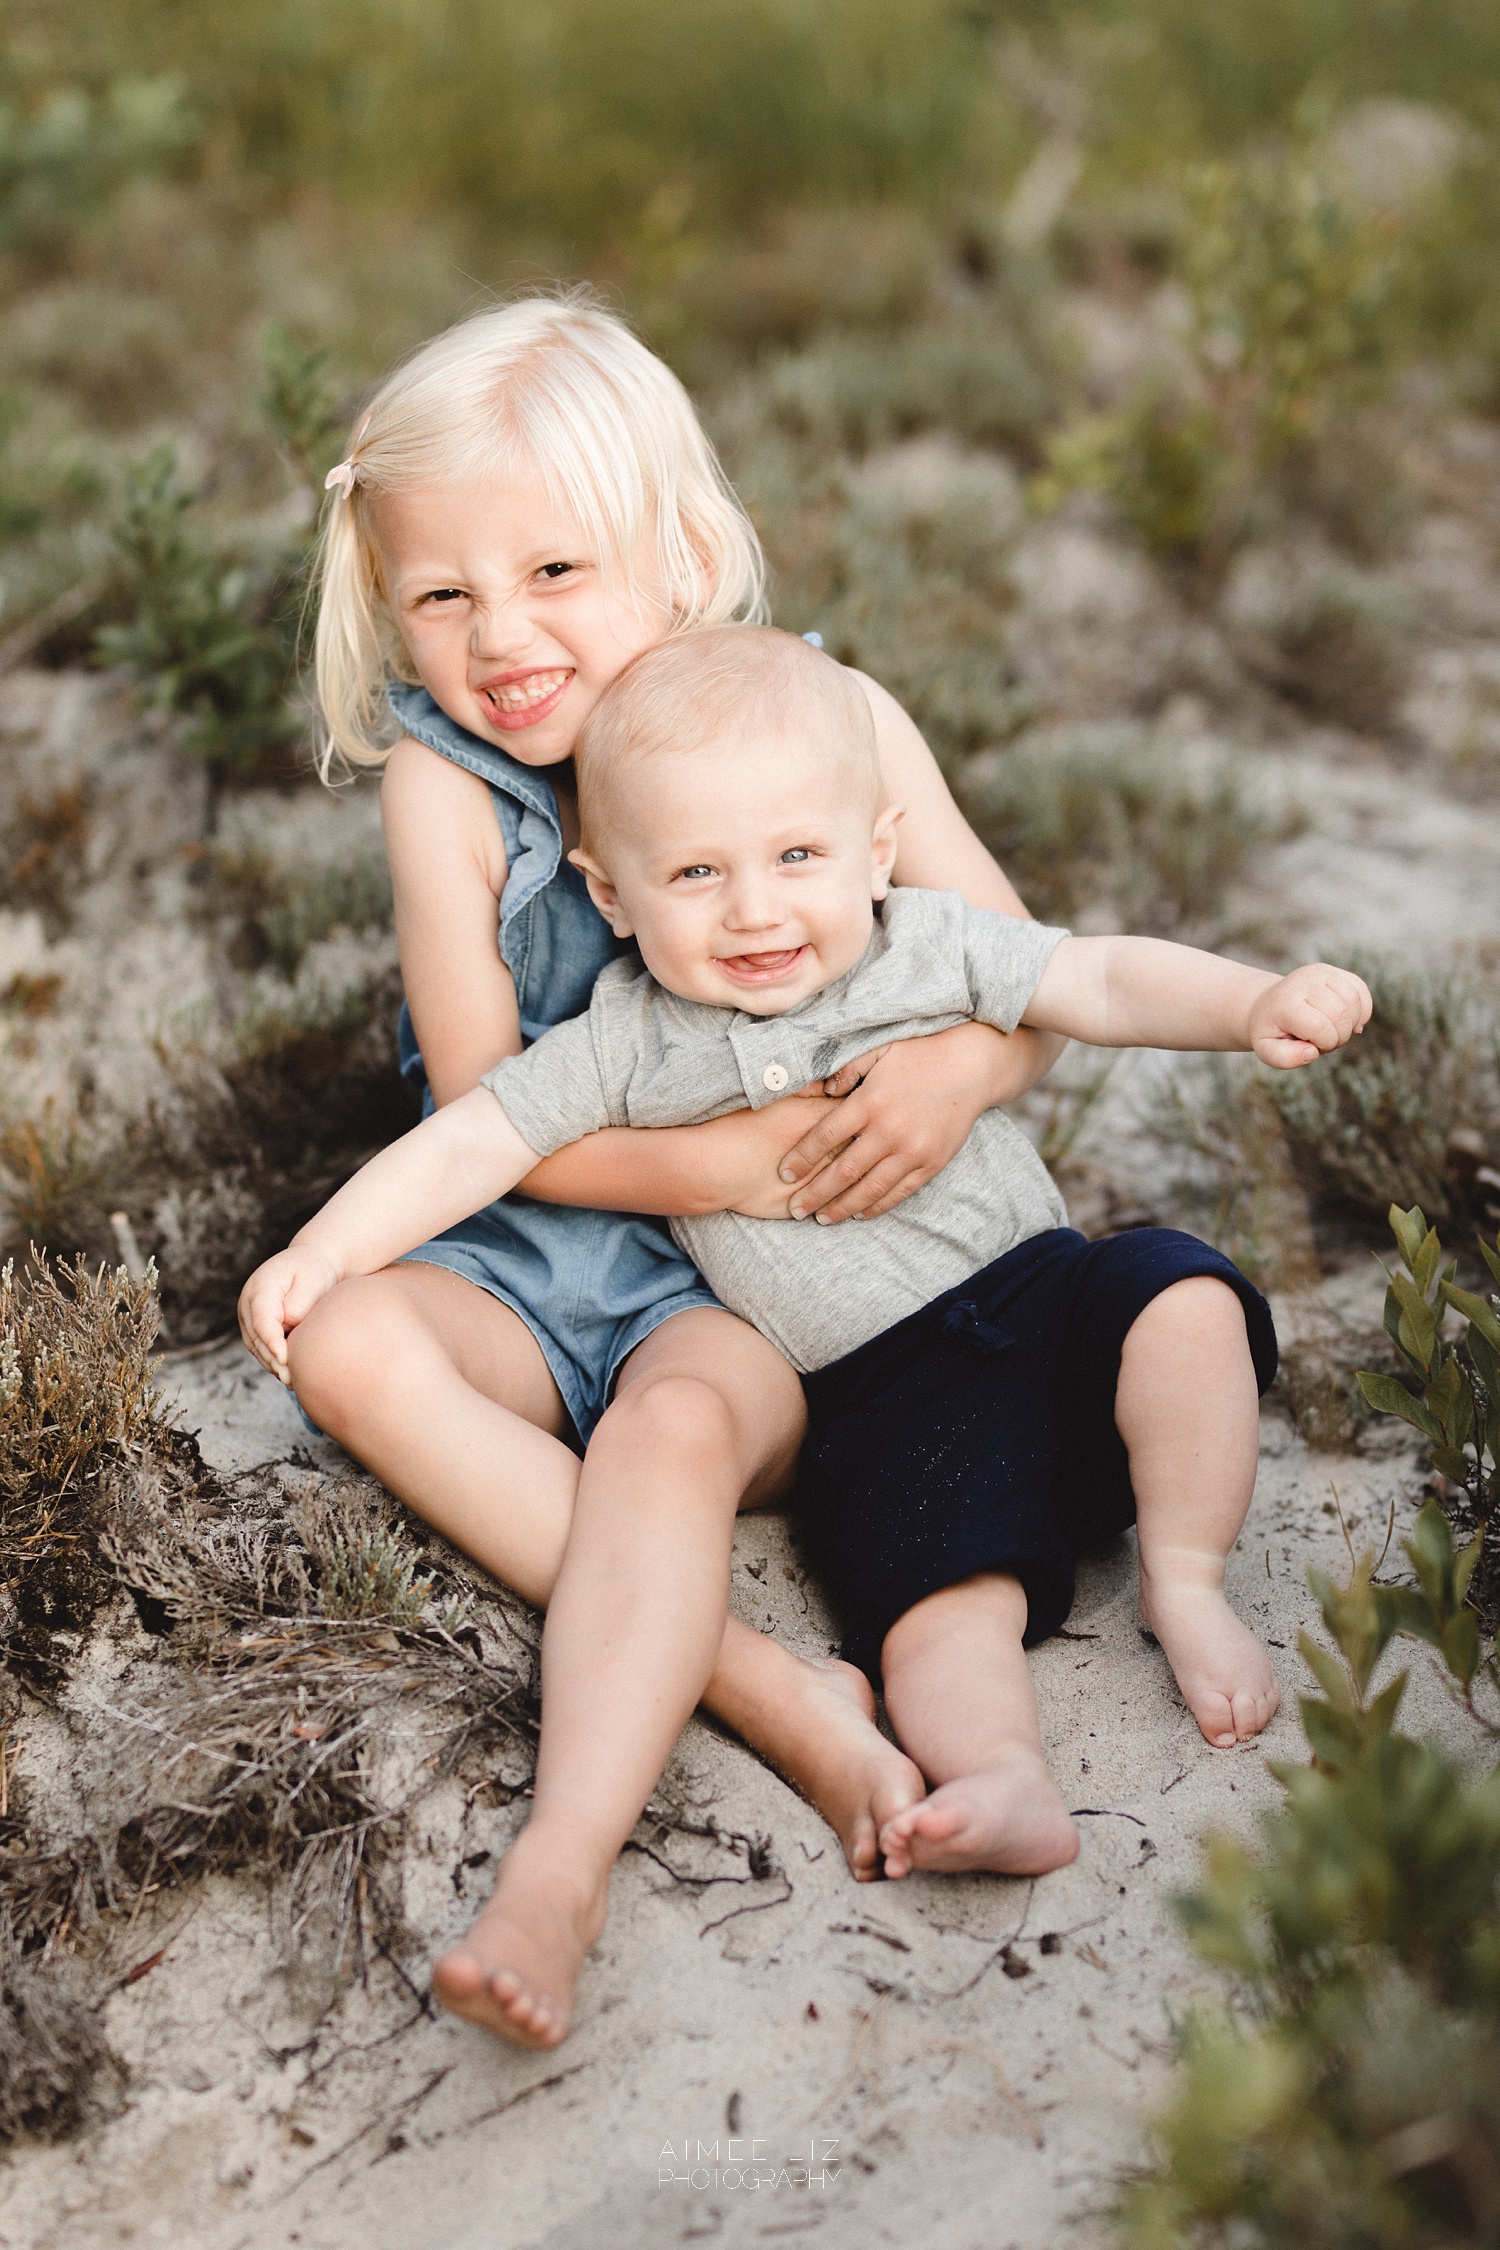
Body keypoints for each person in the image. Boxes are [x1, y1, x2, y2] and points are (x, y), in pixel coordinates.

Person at [241, 624, 1373, 2050]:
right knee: (930, 1603)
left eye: (795, 859)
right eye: (697, 875)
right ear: (611, 890)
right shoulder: (625, 1037)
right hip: (886, 1392)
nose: (755, 910)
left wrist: (1253, 1000)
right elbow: (474, 1136)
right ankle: (1002, 1776)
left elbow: (1098, 978)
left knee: (1189, 1301)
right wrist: (328, 1249)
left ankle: (1190, 1574)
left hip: (1047, 1289)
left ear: (875, 844)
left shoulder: (925, 945)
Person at [282, 294, 1064, 1986]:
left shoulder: (826, 719)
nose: (503, 639)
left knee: (664, 1438)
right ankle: (765, 1680)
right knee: (343, 1348)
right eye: (443, 594)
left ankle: (559, 1874)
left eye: (555, 571)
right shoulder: (449, 787)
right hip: (531, 1222)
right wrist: (723, 1158)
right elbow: (489, 1107)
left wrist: (952, 1082)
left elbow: (1035, 991)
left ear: (683, 546)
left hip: (735, 1290)